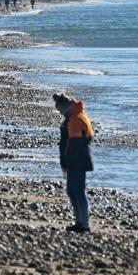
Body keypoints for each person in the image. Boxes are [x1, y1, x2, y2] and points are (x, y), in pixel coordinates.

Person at [53, 92, 95, 233]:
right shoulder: (73, 116)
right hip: (74, 160)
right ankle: (79, 222)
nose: (60, 113)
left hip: (78, 161)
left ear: (66, 106)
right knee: (72, 191)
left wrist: (67, 163)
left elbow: (74, 145)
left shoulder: (76, 119)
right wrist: (64, 163)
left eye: (60, 110)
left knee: (78, 192)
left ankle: (84, 224)